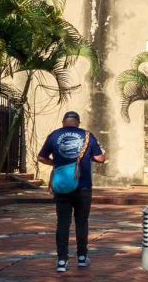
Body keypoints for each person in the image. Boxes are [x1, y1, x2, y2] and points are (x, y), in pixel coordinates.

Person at [37, 110, 106, 273]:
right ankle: (82, 257)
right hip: (83, 186)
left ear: (63, 122)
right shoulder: (87, 136)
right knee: (81, 222)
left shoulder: (54, 135)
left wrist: (56, 163)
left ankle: (62, 260)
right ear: (78, 123)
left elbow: (41, 157)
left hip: (62, 186)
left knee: (62, 222)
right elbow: (100, 158)